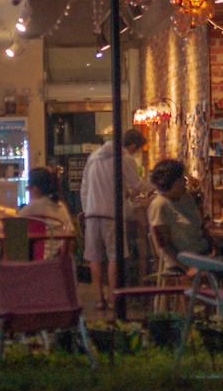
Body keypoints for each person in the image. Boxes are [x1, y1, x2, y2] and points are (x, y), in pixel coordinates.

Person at [79, 128, 149, 309]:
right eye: (137, 149)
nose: (135, 153)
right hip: (112, 214)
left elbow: (84, 187)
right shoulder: (124, 158)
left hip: (92, 213)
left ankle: (99, 299)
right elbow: (137, 185)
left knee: (94, 257)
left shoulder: (94, 156)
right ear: (132, 145)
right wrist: (156, 185)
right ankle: (113, 298)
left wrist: (87, 210)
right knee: (114, 256)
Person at [147, 159, 211, 276]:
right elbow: (165, 245)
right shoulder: (160, 205)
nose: (185, 181)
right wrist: (187, 268)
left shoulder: (185, 197)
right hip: (185, 260)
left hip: (203, 252)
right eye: (181, 178)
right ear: (171, 182)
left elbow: (200, 226)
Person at [20, 167, 75, 259]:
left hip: (33, 260)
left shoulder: (29, 209)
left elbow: (15, 233)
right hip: (57, 260)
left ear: (35, 188)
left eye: (28, 187)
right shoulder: (60, 207)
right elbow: (71, 233)